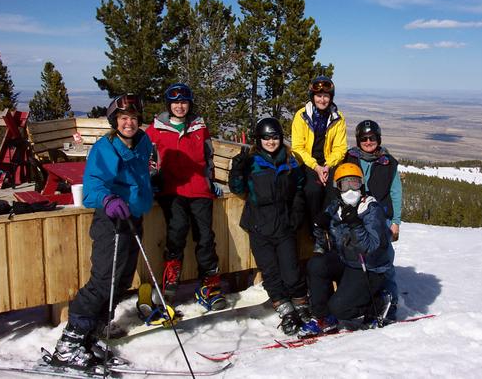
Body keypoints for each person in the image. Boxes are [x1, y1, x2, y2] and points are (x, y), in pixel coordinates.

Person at [51, 94, 158, 369]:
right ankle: (69, 342)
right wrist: (108, 200)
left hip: (134, 217)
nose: (129, 123)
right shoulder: (105, 148)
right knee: (103, 282)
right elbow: (94, 184)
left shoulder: (143, 142)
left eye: (133, 118)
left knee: (121, 281)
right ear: (115, 121)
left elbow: (141, 175)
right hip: (111, 221)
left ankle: (93, 332)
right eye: (123, 119)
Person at [145, 83, 226, 311]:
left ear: (189, 104)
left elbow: (208, 156)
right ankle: (170, 282)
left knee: (206, 237)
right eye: (175, 102)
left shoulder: (199, 127)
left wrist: (211, 179)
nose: (180, 106)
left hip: (199, 188)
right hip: (172, 189)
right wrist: (151, 181)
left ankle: (209, 286)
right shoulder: (155, 129)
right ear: (168, 104)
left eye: (184, 102)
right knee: (177, 231)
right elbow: (148, 159)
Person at [229, 118, 310, 335]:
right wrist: (237, 170)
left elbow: (300, 187)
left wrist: (296, 214)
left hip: (284, 223)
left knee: (291, 271)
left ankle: (302, 305)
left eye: (275, 137)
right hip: (259, 225)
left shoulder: (291, 160)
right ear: (259, 139)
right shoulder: (252, 161)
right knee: (271, 272)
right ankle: (285, 309)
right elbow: (237, 188)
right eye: (266, 137)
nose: (271, 141)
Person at [299, 163, 395, 338]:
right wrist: (319, 226)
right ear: (337, 188)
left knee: (340, 309)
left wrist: (356, 224)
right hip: (347, 260)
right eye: (345, 185)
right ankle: (323, 317)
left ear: (362, 185)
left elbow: (371, 247)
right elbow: (322, 239)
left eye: (355, 184)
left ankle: (379, 303)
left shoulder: (371, 209)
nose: (351, 190)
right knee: (316, 264)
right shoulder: (337, 207)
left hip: (369, 266)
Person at [342, 119, 401, 321]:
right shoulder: (349, 157)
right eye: (364, 138)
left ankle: (390, 302)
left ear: (378, 139)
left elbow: (396, 193)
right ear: (358, 140)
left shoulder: (388, 162)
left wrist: (396, 222)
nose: (368, 142)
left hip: (380, 217)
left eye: (372, 138)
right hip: (354, 215)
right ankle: (366, 299)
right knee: (355, 260)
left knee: (384, 261)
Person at [291, 75, 347, 251]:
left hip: (329, 162)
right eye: (318, 95)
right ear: (312, 97)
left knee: (333, 190)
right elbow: (298, 147)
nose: (322, 99)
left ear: (331, 97)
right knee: (312, 190)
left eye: (326, 96)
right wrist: (316, 166)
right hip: (308, 162)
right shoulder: (301, 116)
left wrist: (327, 166)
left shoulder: (338, 118)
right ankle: (315, 230)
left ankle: (326, 227)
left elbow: (340, 147)